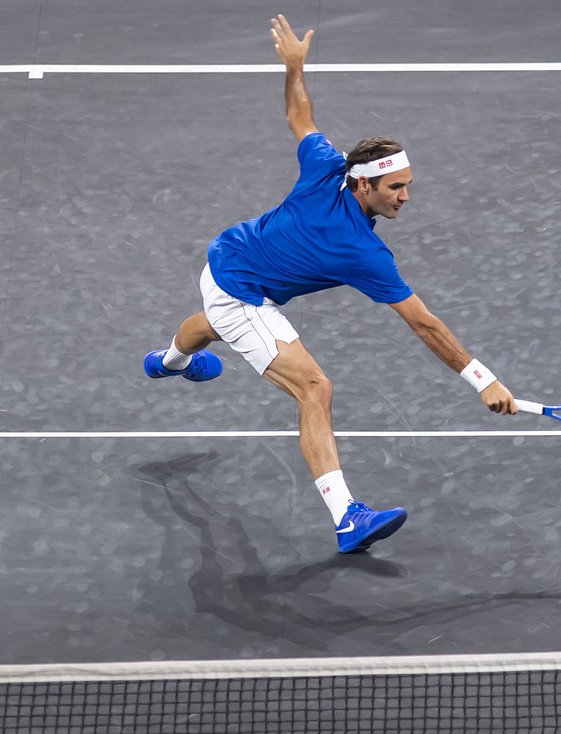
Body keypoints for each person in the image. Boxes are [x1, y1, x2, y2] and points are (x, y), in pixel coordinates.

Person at [144, 14, 517, 554]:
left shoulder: (327, 166)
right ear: (364, 183)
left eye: (408, 186)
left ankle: (168, 362)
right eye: (396, 188)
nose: (405, 198)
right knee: (314, 387)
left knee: (213, 323)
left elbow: (300, 115)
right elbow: (424, 324)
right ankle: (346, 516)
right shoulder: (363, 252)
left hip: (226, 253)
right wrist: (483, 380)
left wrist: (294, 69)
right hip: (242, 292)